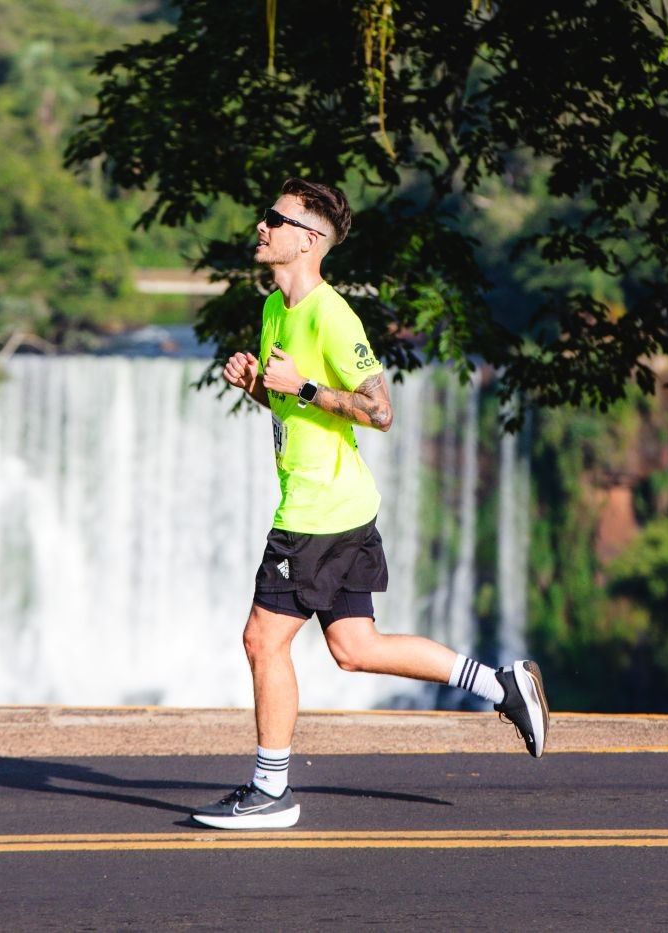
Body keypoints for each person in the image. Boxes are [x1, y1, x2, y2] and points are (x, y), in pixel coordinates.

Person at [191, 179, 549, 830]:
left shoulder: (332, 315)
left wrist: (299, 382)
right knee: (356, 646)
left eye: (275, 218)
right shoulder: (276, 308)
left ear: (309, 239)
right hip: (336, 505)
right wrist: (257, 387)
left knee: (261, 640)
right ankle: (502, 685)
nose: (261, 225)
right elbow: (294, 407)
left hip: (317, 514)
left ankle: (271, 790)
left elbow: (380, 409)